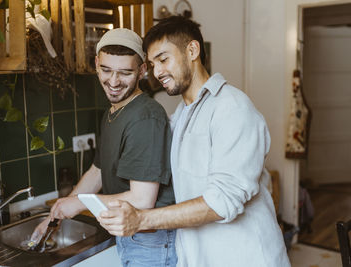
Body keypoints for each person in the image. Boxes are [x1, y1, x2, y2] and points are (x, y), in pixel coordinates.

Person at [98, 16, 291, 267]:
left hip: (247, 257)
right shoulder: (181, 116)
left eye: (164, 59)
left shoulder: (232, 107)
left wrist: (142, 219)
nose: (158, 73)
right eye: (153, 64)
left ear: (192, 50)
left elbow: (222, 203)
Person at [31, 28, 177, 267]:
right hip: (130, 236)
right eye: (106, 70)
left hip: (150, 242)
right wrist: (56, 216)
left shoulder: (146, 117)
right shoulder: (113, 111)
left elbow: (142, 199)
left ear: (142, 71)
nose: (114, 81)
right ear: (96, 63)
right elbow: (97, 171)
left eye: (125, 73)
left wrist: (78, 204)